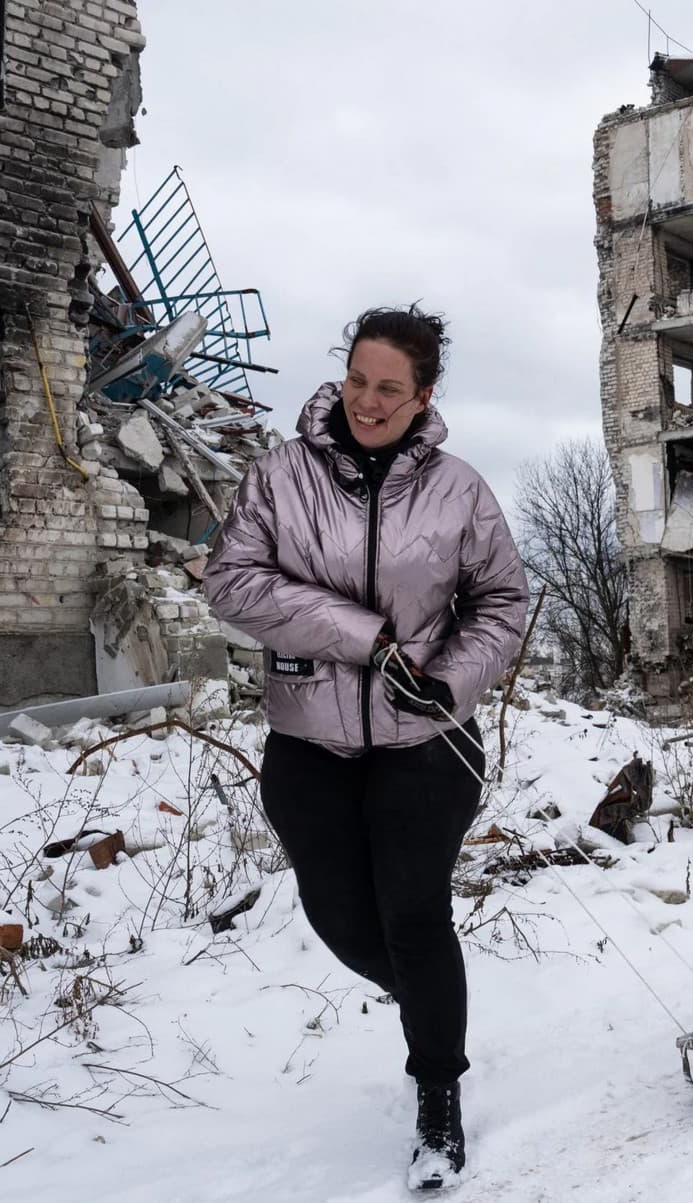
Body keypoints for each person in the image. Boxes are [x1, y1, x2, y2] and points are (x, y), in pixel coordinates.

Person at [203, 305, 528, 1192]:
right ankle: (432, 1004)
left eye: (390, 388)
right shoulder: (281, 475)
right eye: (357, 380)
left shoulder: (459, 489)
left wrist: (451, 679)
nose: (368, 401)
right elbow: (228, 579)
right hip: (307, 740)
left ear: (423, 396)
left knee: (416, 915)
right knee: (342, 919)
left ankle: (438, 1095)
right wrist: (356, 632)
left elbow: (503, 601)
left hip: (426, 742)